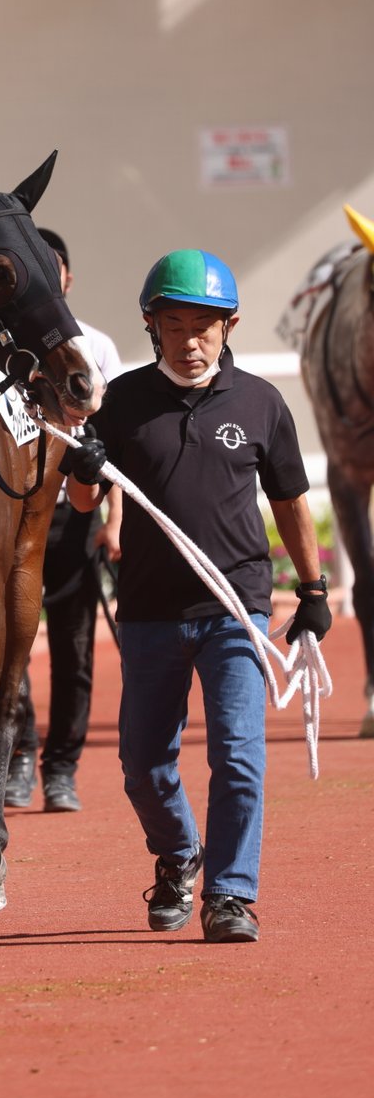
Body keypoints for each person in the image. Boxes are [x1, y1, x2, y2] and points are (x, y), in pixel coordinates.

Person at [65, 248, 331, 943]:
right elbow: (82, 497)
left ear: (230, 325)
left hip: (237, 606)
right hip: (151, 610)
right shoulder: (119, 402)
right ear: (152, 326)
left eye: (204, 327)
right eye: (175, 326)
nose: (190, 341)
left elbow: (292, 502)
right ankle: (179, 855)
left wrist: (313, 588)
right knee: (142, 766)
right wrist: (84, 469)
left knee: (239, 756)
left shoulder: (261, 404)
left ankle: (231, 895)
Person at [4, 227, 122, 813]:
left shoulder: (97, 347)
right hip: (13, 518)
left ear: (64, 279)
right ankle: (21, 754)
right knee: (12, 648)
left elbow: (115, 445)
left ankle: (62, 767)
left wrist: (114, 522)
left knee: (75, 650)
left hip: (77, 513)